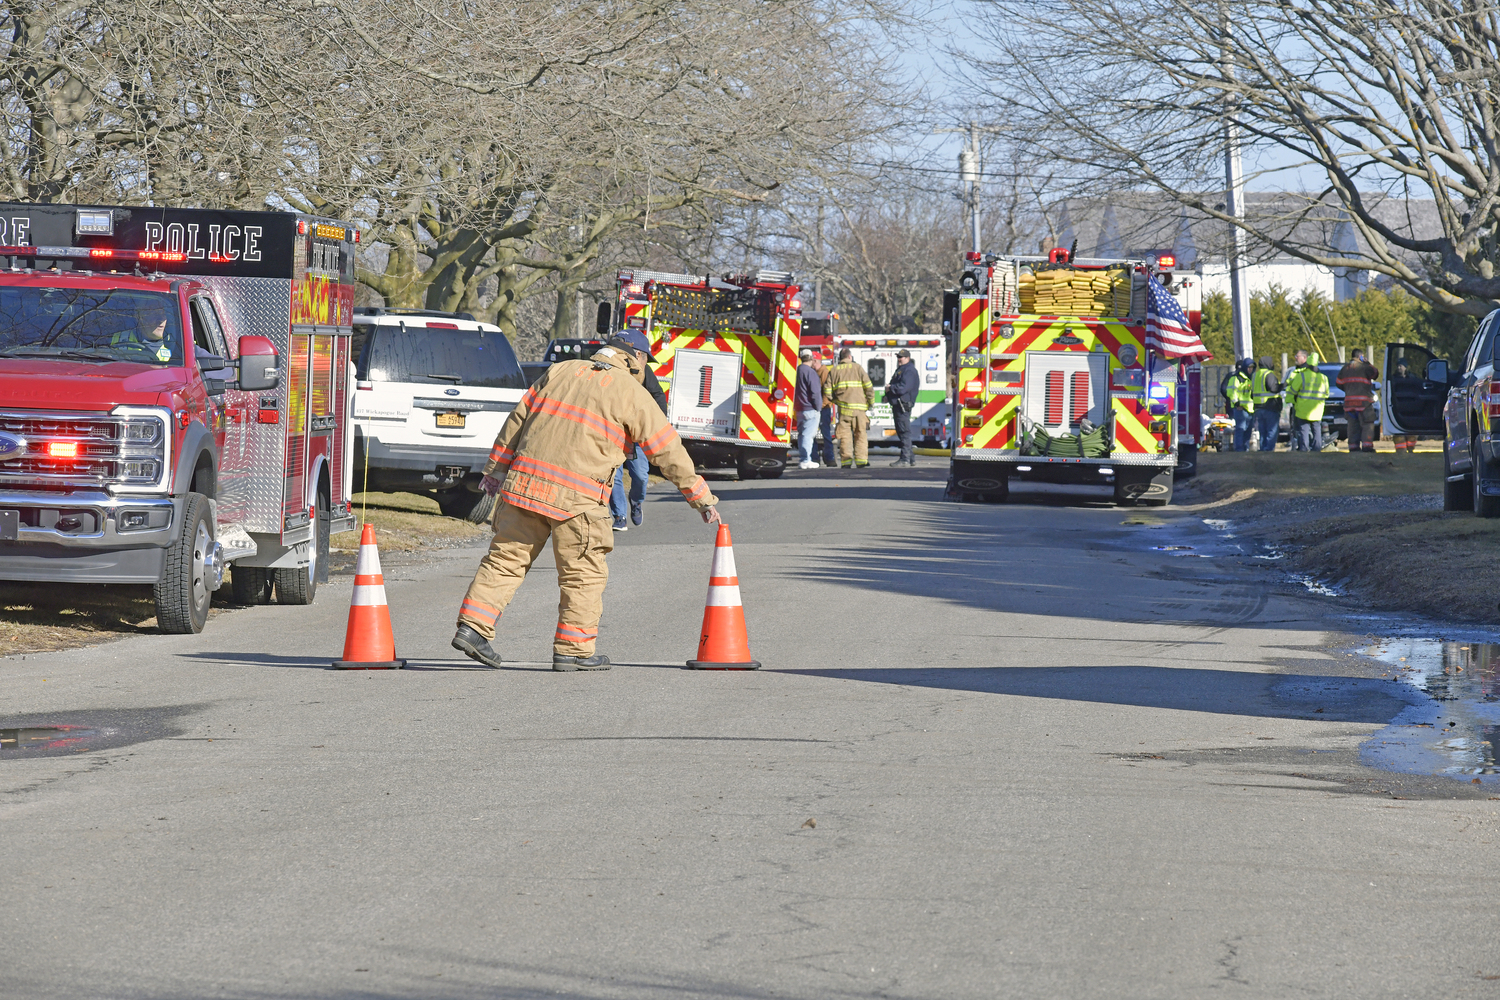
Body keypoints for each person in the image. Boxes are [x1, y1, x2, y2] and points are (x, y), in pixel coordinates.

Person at [452, 343, 720, 672]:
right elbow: (667, 450)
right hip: (577, 501)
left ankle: (472, 629)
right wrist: (700, 498)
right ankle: (574, 650)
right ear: (635, 358)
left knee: (505, 561)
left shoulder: (559, 370)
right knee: (583, 575)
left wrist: (495, 470)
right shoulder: (631, 393)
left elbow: (517, 420)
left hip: (524, 487)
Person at [606, 332, 667, 531]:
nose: (646, 361)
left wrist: (657, 424)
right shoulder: (608, 370)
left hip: (635, 433)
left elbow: (658, 396)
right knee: (613, 474)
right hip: (612, 433)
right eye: (646, 357)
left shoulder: (645, 373)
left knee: (640, 475)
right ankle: (619, 516)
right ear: (637, 354)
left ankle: (636, 501)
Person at [824, 347, 874, 468]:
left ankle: (846, 462)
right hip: (860, 411)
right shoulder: (858, 368)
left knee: (845, 437)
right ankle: (861, 461)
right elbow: (868, 387)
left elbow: (827, 391)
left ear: (840, 358)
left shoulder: (834, 371)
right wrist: (870, 403)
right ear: (850, 357)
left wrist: (836, 401)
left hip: (844, 410)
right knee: (860, 434)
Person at [1284, 350, 1330, 452]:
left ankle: (1304, 450)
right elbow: (1326, 394)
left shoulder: (1302, 376)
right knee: (1317, 430)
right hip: (1317, 410)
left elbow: (1293, 390)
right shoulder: (1324, 378)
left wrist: (1291, 401)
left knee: (1303, 431)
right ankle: (1317, 450)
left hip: (1303, 409)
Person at [1336, 349, 1380, 453]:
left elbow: (1338, 383)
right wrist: (1368, 363)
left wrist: (1348, 390)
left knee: (1352, 426)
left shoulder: (1344, 368)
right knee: (1367, 424)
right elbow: (1375, 373)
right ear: (1360, 356)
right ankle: (1367, 446)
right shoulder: (1365, 368)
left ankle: (1353, 447)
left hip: (1349, 403)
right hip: (1364, 403)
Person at [885, 348, 920, 467]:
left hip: (903, 404)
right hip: (898, 404)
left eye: (902, 357)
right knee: (901, 431)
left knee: (904, 432)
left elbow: (904, 388)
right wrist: (888, 395)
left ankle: (904, 459)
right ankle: (910, 458)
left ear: (908, 358)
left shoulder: (909, 371)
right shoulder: (902, 369)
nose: (899, 359)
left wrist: (891, 388)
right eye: (898, 357)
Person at [794, 348, 823, 469]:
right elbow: (815, 392)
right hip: (810, 408)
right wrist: (818, 407)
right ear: (811, 359)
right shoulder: (811, 373)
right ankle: (806, 460)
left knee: (802, 435)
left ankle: (803, 458)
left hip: (799, 409)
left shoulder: (797, 370)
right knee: (808, 436)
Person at [1220, 358, 1256, 451]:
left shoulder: (1251, 378)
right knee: (1240, 429)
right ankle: (1239, 449)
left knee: (1248, 431)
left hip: (1250, 409)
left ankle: (1245, 448)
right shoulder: (1236, 377)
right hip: (1240, 409)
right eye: (1249, 367)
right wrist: (1237, 404)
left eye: (1252, 368)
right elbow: (1231, 392)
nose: (1250, 369)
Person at [1251, 354, 1282, 451]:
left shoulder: (1255, 375)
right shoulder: (1269, 374)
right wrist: (1283, 385)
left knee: (1262, 431)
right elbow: (1274, 388)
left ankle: (1263, 450)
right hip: (1270, 406)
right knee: (1272, 431)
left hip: (1258, 407)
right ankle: (1268, 450)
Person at [1389, 361, 1416, 453]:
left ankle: (1411, 448)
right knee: (1398, 430)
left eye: (1401, 365)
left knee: (1412, 430)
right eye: (1398, 365)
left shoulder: (1412, 378)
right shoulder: (1393, 379)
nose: (1399, 367)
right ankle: (1400, 450)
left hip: (1410, 407)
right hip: (1398, 407)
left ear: (1406, 367)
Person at [816, 355, 837, 468]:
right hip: (821, 407)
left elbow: (826, 391)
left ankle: (829, 458)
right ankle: (827, 459)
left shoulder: (824, 372)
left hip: (824, 408)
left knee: (826, 434)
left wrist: (822, 405)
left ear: (816, 361)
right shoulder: (818, 372)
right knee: (824, 433)